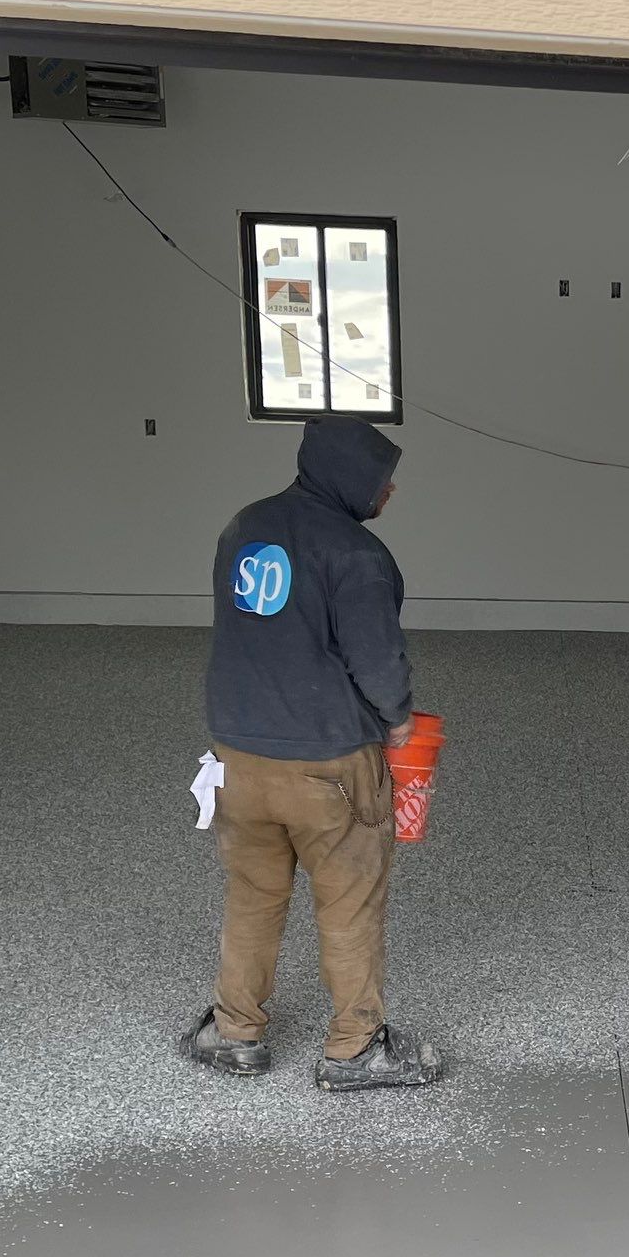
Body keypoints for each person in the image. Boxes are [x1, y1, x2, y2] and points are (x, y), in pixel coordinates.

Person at [183, 418, 443, 1091]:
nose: (389, 492)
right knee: (349, 902)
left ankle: (234, 1032)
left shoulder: (244, 527)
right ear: (351, 478)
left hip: (239, 755)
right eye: (383, 480)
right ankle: (354, 1047)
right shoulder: (356, 553)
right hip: (329, 762)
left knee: (252, 895)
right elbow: (377, 660)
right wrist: (397, 722)